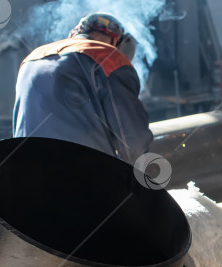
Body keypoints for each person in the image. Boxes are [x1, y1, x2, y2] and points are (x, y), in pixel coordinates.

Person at [13, 13, 152, 165]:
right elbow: (132, 139)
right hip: (82, 175)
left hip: (27, 171)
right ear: (119, 42)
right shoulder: (109, 58)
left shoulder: (32, 59)